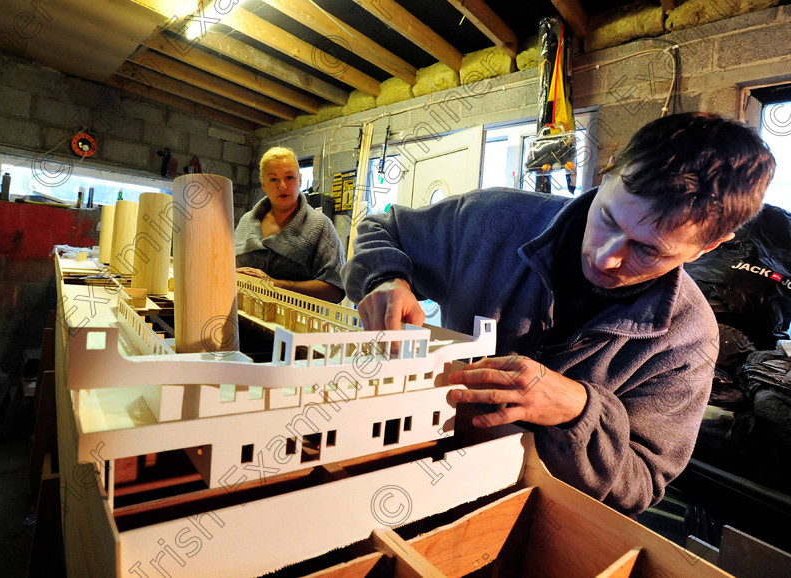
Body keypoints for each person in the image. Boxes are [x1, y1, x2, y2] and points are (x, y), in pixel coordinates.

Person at [342, 112, 776, 515]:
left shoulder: (687, 339)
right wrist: (384, 278)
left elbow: (641, 482)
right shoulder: (493, 220)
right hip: (420, 463)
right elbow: (384, 228)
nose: (605, 258)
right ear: (607, 172)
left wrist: (579, 410)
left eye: (647, 250)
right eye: (607, 218)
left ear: (708, 247)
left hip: (526, 514)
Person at [236, 146, 345, 303]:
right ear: (263, 184)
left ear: (300, 179)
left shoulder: (319, 226)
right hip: (243, 319)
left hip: (293, 325)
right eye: (273, 179)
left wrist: (274, 284)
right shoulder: (247, 222)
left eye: (290, 177)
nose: (282, 186)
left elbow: (335, 290)